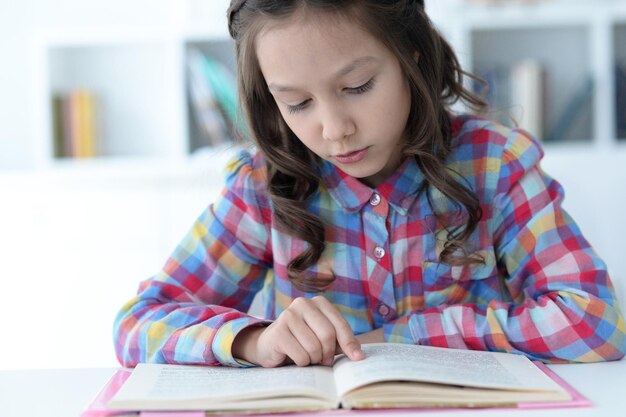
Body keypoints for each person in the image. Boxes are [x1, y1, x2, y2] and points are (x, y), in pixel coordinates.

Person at [113, 0, 626, 368]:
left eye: (357, 86)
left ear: (412, 57)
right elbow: (137, 325)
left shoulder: (494, 165)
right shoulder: (261, 189)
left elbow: (595, 321)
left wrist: (403, 339)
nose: (335, 129)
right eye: (298, 103)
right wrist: (254, 340)